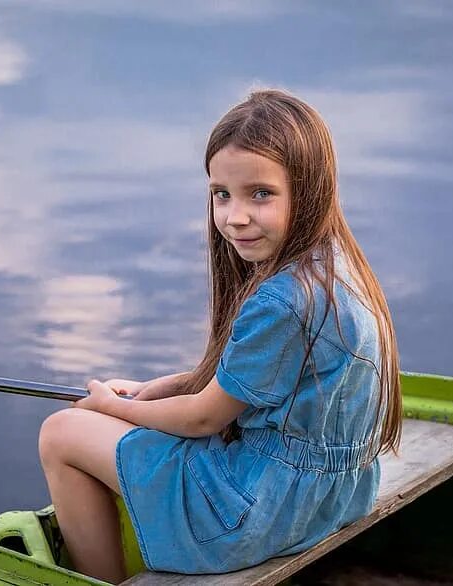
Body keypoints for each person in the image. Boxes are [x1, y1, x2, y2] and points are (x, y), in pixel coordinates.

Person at [38, 89, 402, 584]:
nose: (235, 216)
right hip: (333, 496)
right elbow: (259, 377)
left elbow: (206, 416)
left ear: (310, 189)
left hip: (254, 515)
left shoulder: (281, 300)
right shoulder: (335, 270)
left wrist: (112, 408)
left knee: (61, 433)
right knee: (116, 426)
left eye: (261, 194)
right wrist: (162, 388)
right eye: (221, 193)